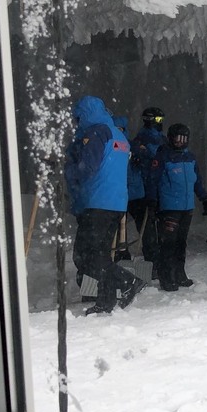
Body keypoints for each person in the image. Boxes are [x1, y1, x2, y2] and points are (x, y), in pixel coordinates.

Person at [65, 96, 145, 315]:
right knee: (100, 252)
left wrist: (65, 170)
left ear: (84, 115)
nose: (76, 123)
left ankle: (128, 280)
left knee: (85, 255)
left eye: (77, 118)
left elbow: (86, 167)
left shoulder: (97, 132)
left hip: (98, 202)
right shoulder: (118, 134)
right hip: (117, 202)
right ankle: (106, 299)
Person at [146, 123, 207, 291]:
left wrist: (204, 198)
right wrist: (152, 202)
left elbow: (196, 181)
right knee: (168, 243)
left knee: (181, 243)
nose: (180, 142)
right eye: (177, 139)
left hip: (186, 206)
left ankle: (179, 273)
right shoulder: (162, 156)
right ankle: (166, 276)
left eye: (184, 139)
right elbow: (153, 181)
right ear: (170, 138)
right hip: (169, 207)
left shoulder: (190, 157)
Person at [129, 107, 166, 272]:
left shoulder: (161, 139)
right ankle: (153, 264)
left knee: (159, 228)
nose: (160, 124)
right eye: (158, 120)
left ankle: (159, 262)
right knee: (148, 229)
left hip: (158, 190)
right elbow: (147, 166)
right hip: (144, 192)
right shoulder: (141, 140)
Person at [111, 115, 139, 261]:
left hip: (124, 192)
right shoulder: (112, 145)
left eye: (121, 129)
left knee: (122, 226)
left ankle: (122, 252)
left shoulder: (128, 147)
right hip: (113, 193)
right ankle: (114, 254)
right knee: (113, 227)